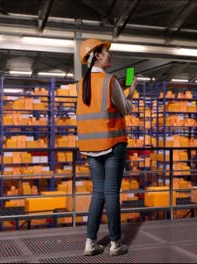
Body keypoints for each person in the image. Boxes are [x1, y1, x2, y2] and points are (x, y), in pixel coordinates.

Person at [76, 38, 137, 256]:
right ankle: (115, 243)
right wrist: (129, 92)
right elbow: (125, 109)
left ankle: (90, 243)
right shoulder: (110, 81)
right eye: (106, 51)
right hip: (112, 143)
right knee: (111, 191)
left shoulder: (80, 85)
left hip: (91, 146)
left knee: (98, 192)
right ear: (98, 56)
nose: (110, 55)